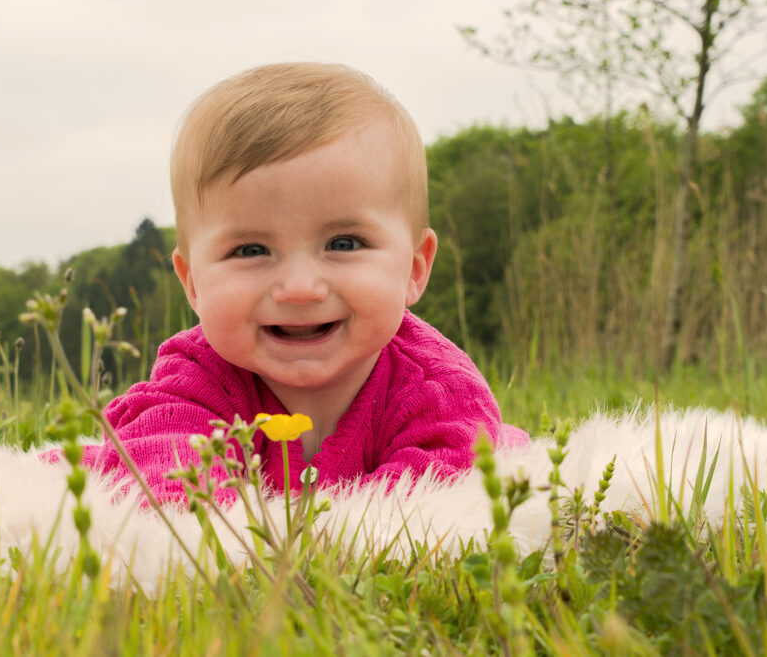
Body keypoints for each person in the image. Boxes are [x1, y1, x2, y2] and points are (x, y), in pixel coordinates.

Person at [73, 62, 528, 503]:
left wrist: (329, 547)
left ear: (413, 269)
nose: (300, 288)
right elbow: (168, 486)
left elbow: (433, 507)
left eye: (344, 243)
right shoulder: (195, 380)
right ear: (193, 283)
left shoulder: (437, 390)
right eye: (251, 250)